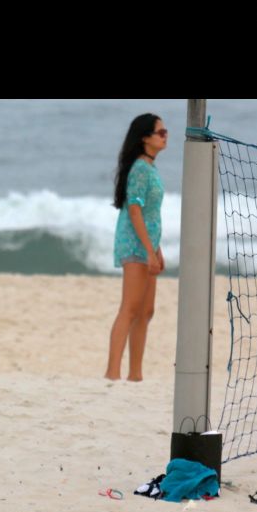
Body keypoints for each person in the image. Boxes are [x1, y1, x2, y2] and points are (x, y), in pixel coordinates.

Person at [105, 114, 167, 382]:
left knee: (146, 311)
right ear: (145, 138)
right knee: (130, 308)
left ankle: (136, 375)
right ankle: (112, 374)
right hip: (134, 243)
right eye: (160, 131)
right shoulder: (141, 168)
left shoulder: (150, 168)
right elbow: (134, 210)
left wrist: (157, 248)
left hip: (147, 244)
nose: (165, 135)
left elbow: (152, 214)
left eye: (165, 131)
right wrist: (148, 250)